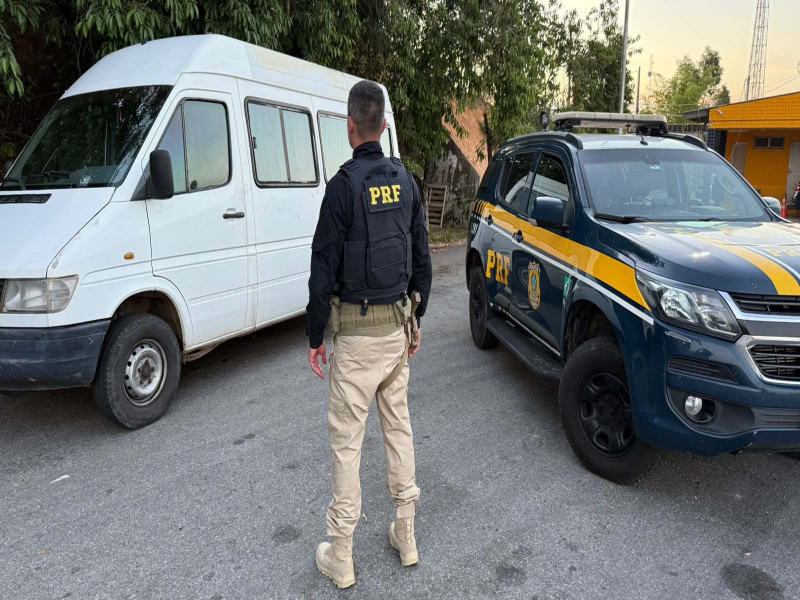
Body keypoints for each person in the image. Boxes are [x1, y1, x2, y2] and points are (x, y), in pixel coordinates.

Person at [306, 79, 432, 589]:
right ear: (383, 125)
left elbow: (322, 269)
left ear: (350, 126)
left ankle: (341, 553)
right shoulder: (407, 181)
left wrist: (316, 336)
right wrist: (416, 317)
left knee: (347, 444)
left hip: (356, 341)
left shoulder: (342, 187)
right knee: (398, 428)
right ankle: (406, 533)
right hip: (397, 333)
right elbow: (421, 259)